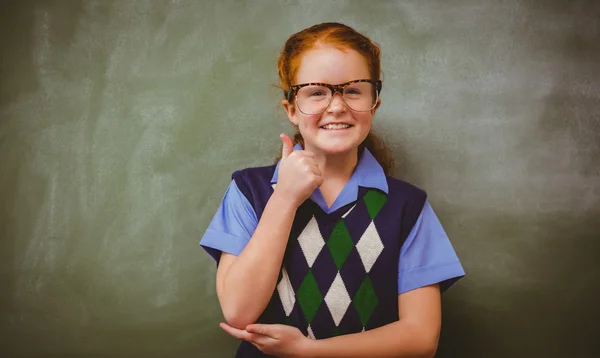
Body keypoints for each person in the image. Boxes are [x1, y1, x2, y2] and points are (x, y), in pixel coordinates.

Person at [200, 22, 465, 358]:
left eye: (353, 90)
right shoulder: (249, 191)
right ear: (292, 110)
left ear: (374, 103)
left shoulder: (407, 207)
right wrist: (284, 197)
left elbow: (421, 338)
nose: (337, 106)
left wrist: (308, 351)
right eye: (316, 91)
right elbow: (239, 311)